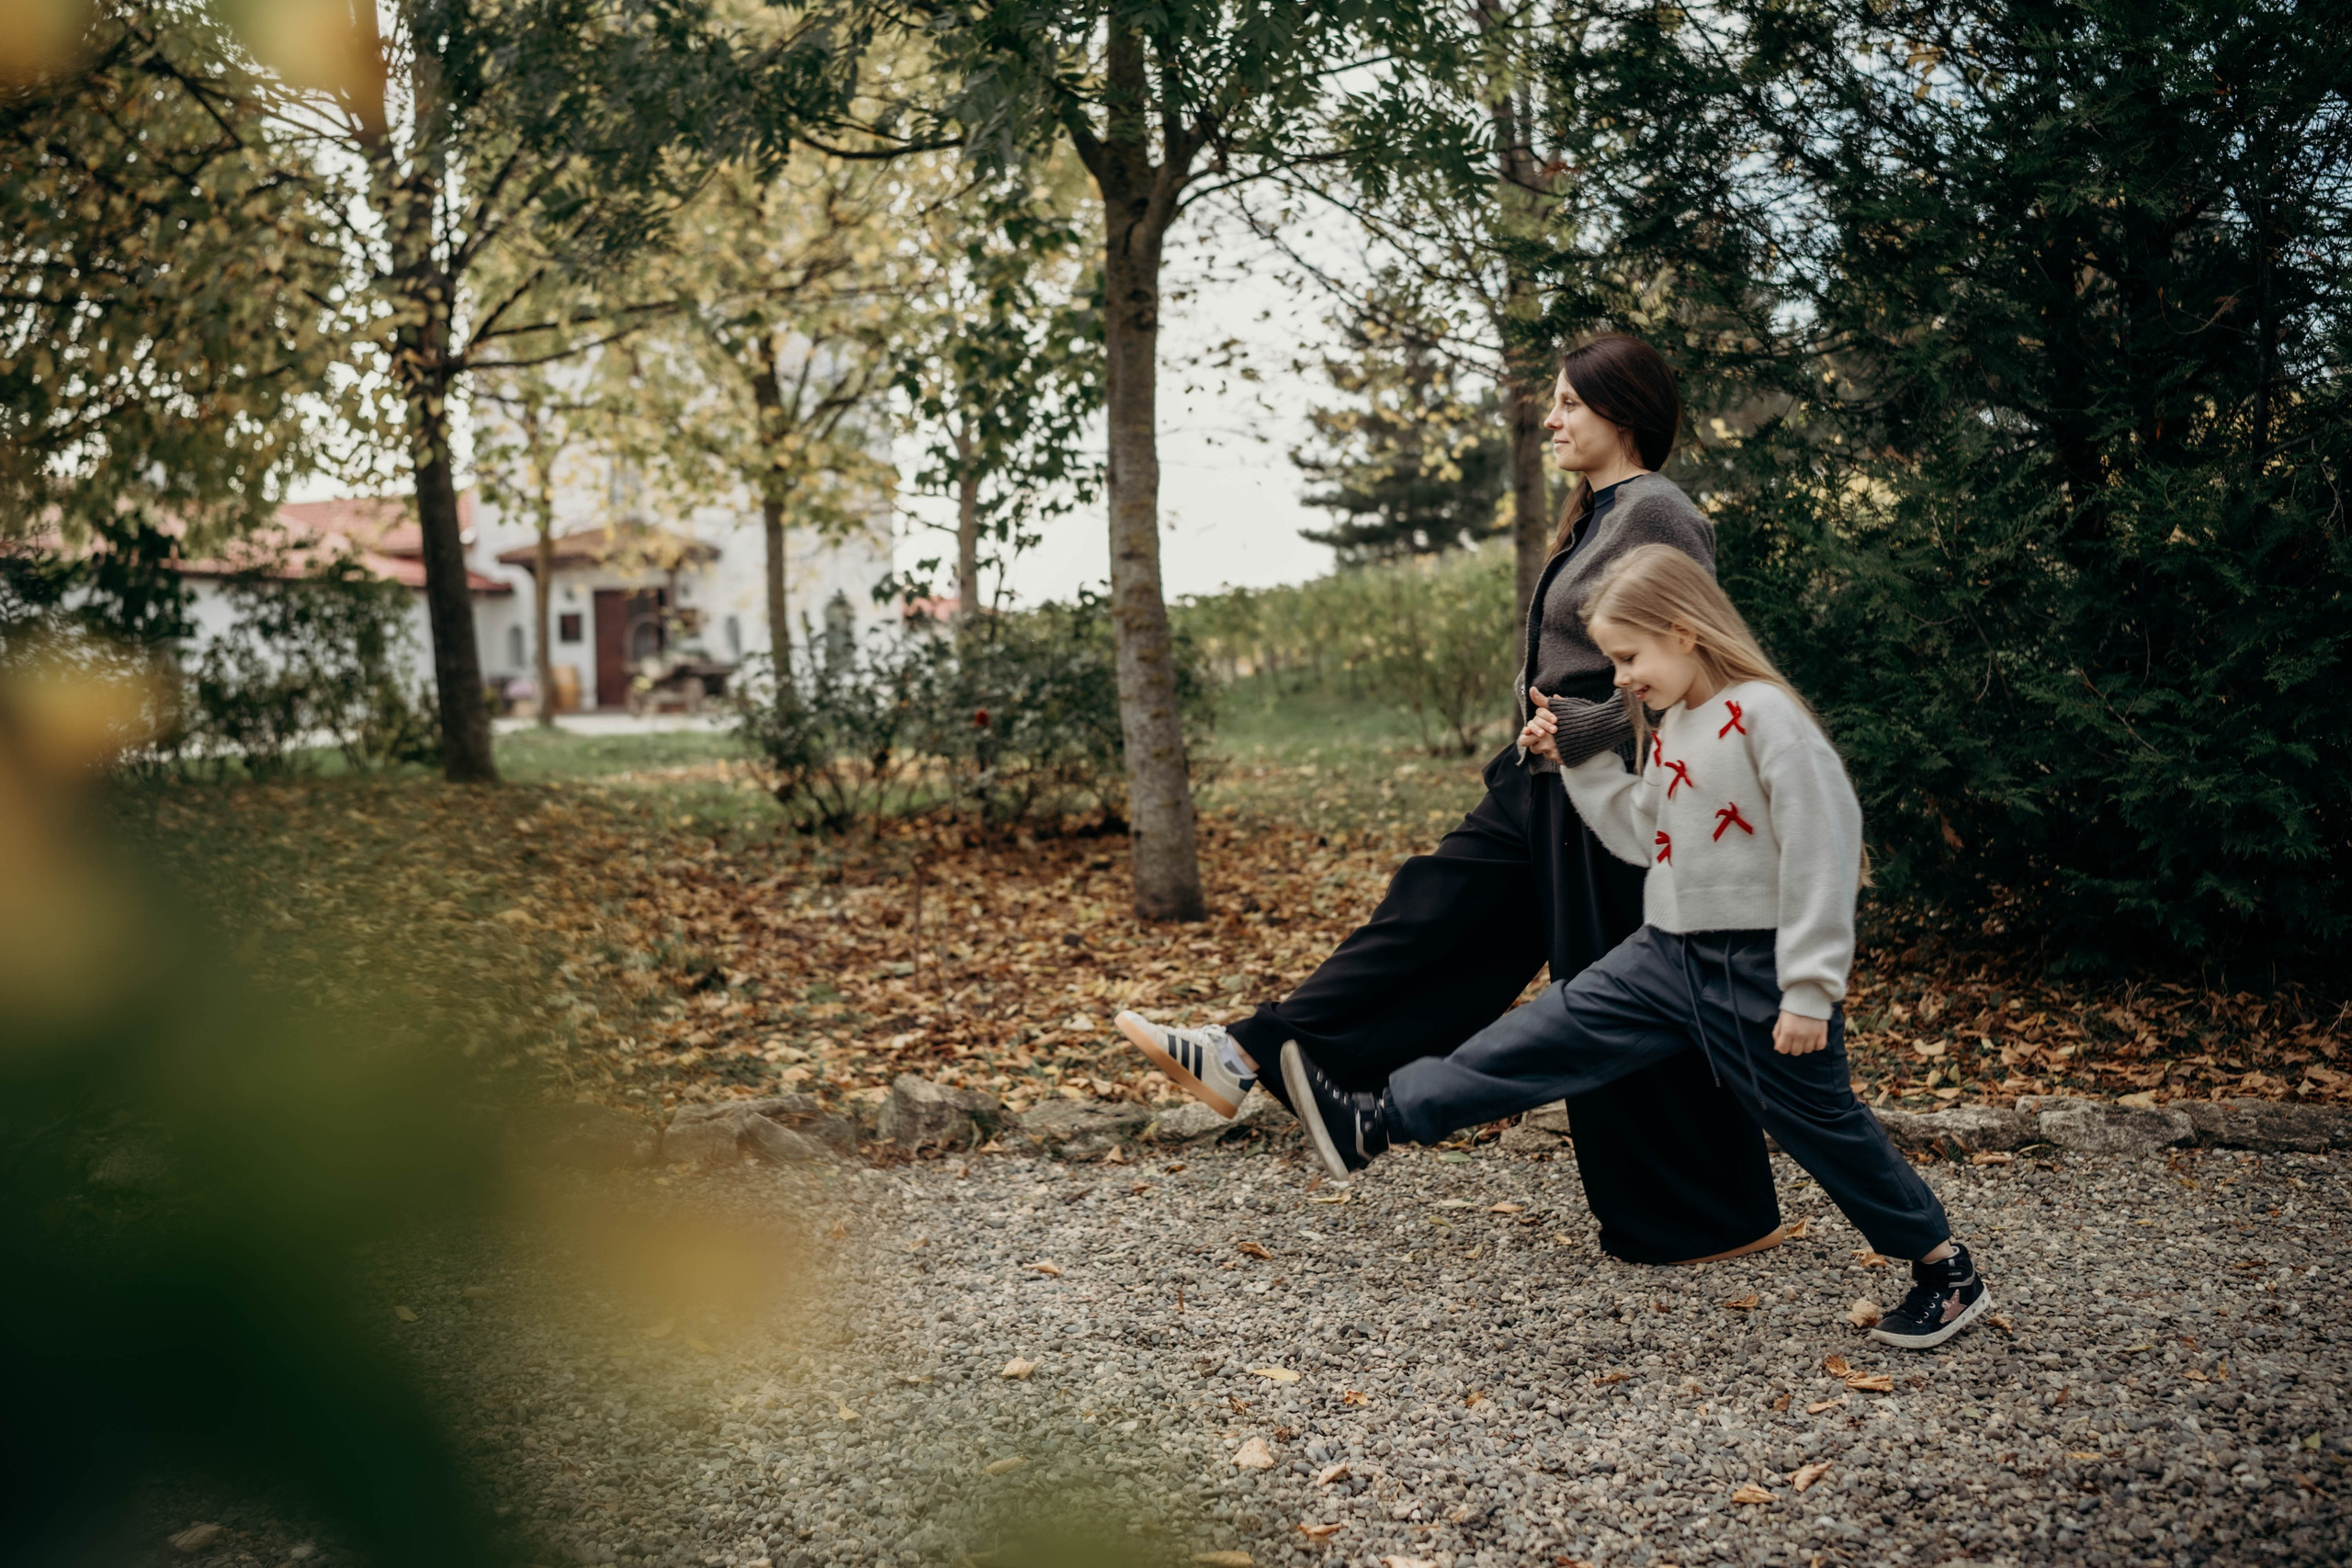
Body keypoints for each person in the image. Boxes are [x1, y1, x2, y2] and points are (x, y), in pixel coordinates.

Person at [1116, 333, 1786, 1267]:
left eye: (1568, 404)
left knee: (1612, 1000)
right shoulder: (1597, 514)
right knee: (1430, 913)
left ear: (1622, 411)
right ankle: (1246, 1056)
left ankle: (1712, 1216)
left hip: (1607, 797)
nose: (1549, 420)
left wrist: (1584, 732)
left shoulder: (1659, 514)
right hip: (1542, 786)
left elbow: (1696, 667)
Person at [1276, 544, 1993, 1350]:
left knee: (1825, 1128)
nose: (1617, 678)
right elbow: (1642, 832)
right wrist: (1577, 763)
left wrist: (1811, 988)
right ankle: (1375, 1119)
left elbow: (1826, 847)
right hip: (1666, 954)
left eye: (1627, 656)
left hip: (1759, 971)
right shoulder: (1679, 725)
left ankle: (1944, 1267)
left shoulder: (1767, 717)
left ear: (1685, 632)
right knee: (1540, 1035)